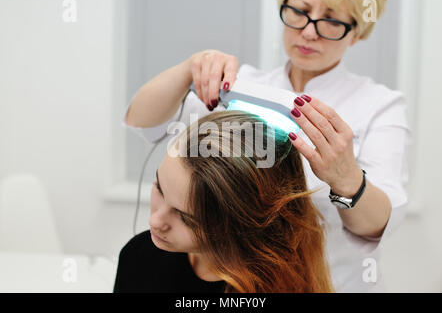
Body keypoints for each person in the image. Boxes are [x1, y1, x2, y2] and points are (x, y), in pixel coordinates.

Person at [121, 0, 410, 292]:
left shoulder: (379, 106)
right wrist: (189, 68)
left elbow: (378, 225)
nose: (309, 31)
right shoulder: (240, 87)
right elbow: (143, 121)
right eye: (299, 11)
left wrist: (348, 180)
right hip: (241, 284)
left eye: (332, 20)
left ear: (357, 31)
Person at [114, 111, 335, 293]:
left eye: (187, 219)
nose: (155, 221)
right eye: (159, 189)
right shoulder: (139, 256)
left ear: (242, 224)